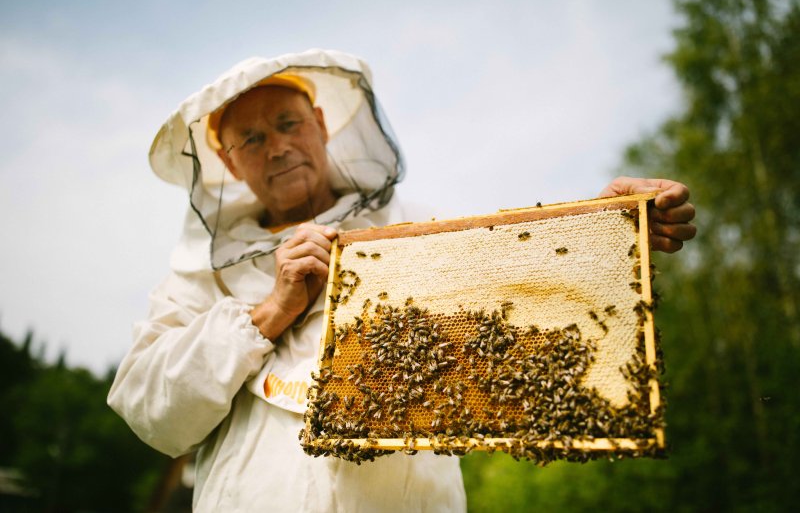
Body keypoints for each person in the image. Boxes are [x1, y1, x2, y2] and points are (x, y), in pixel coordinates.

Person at [108, 49, 696, 512]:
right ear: (231, 163)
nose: (278, 147)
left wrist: (603, 232)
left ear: (318, 124)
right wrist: (268, 314)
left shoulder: (406, 228)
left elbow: (518, 305)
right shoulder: (198, 273)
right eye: (252, 139)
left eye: (288, 123)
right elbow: (149, 411)